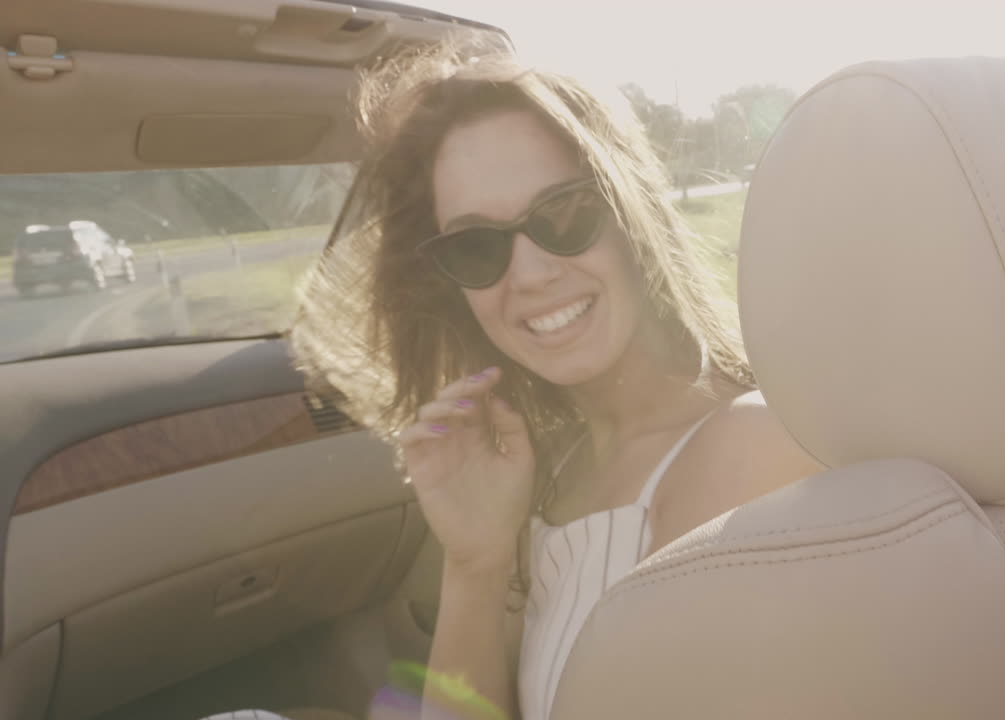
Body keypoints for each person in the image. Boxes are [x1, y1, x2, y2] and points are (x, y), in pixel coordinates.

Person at [292, 34, 824, 720]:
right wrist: (476, 563)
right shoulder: (554, 469)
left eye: (565, 214)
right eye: (476, 246)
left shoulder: (751, 449)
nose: (532, 274)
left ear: (631, 210)